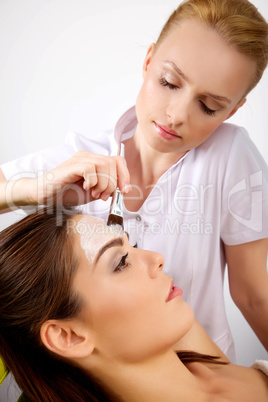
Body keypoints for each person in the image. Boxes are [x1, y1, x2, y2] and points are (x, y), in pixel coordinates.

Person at [0, 0, 268, 361]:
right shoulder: (83, 155)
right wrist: (34, 189)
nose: (176, 115)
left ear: (232, 110)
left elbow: (253, 294)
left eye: (208, 106)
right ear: (148, 61)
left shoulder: (231, 156)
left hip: (203, 376)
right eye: (169, 82)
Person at [0, 207, 267, 402]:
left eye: (133, 244)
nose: (157, 258)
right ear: (67, 336)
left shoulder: (195, 352)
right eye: (121, 263)